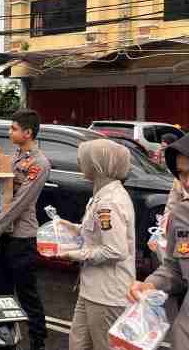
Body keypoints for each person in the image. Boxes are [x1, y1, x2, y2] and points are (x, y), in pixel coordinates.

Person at [55, 139, 135, 350]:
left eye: (84, 159)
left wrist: (74, 255)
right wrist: (71, 227)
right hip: (91, 289)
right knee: (78, 343)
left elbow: (115, 249)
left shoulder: (109, 202)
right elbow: (96, 233)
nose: (80, 163)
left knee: (103, 346)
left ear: (98, 165)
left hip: (106, 294)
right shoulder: (102, 195)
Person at [0, 109, 49, 350]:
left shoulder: (39, 163)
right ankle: (4, 337)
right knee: (1, 289)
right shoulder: (13, 157)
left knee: (27, 294)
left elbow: (20, 202)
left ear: (28, 132)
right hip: (4, 235)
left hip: (21, 237)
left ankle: (38, 341)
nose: (9, 132)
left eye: (13, 128)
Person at [129, 134, 189, 348]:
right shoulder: (183, 214)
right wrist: (151, 284)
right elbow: (176, 268)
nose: (187, 182)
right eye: (181, 174)